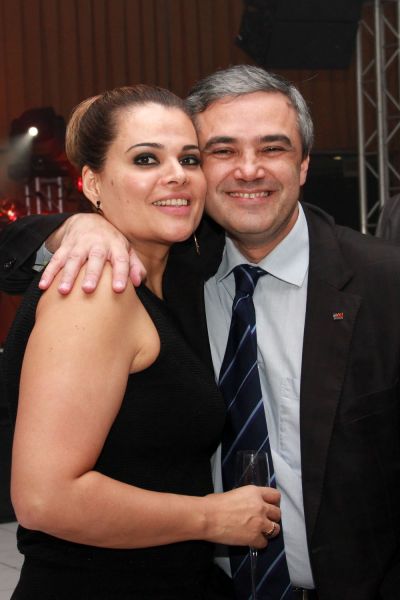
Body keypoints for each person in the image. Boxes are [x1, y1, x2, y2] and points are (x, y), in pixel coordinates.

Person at [1, 65, 400, 599]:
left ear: (304, 164)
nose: (249, 170)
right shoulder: (148, 273)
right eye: (221, 151)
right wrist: (75, 224)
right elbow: (46, 495)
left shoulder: (384, 282)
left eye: (273, 148)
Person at [0, 83, 282, 600]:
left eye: (189, 159)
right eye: (146, 159)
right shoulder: (95, 291)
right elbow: (45, 499)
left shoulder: (176, 275)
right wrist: (210, 517)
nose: (177, 175)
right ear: (93, 183)